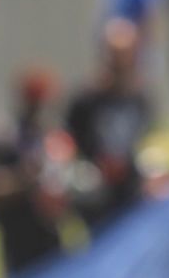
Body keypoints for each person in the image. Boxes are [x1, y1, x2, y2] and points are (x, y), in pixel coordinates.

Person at [0, 69, 67, 278]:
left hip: (50, 233)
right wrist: (26, 178)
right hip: (17, 233)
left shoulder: (53, 134)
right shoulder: (4, 134)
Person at [64, 22, 154, 234]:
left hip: (129, 187)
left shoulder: (139, 98)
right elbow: (68, 141)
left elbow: (144, 139)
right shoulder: (86, 99)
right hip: (95, 187)